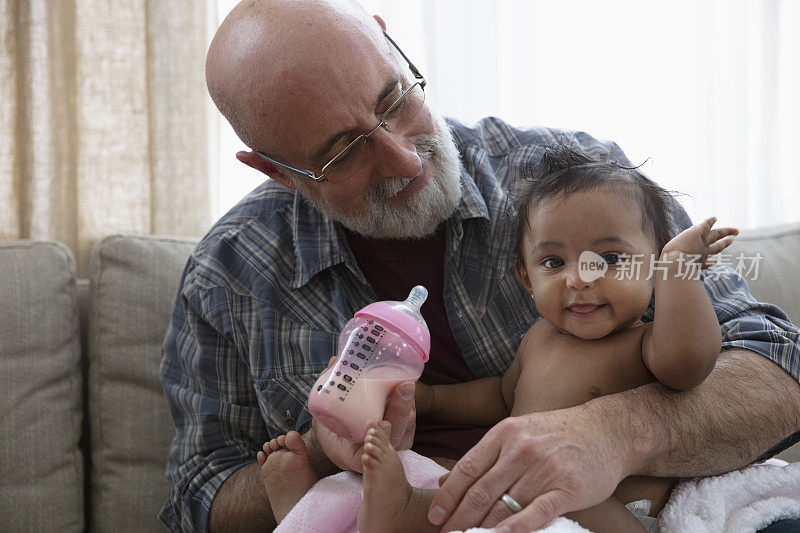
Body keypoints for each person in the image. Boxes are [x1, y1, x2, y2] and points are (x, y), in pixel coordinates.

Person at [158, 0, 800, 532]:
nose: (405, 159)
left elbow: (779, 366)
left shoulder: (571, 186)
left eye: (393, 100)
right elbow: (198, 492)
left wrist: (615, 433)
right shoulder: (230, 275)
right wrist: (328, 452)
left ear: (392, 44)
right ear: (275, 169)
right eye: (345, 152)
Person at [255, 145, 739, 532]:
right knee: (447, 479)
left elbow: (689, 361)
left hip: (610, 507)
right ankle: (325, 512)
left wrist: (679, 275)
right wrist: (432, 399)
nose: (579, 278)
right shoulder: (537, 340)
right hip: (520, 495)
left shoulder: (645, 343)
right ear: (526, 278)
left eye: (609, 259)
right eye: (553, 263)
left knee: (503, 497)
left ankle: (405, 512)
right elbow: (498, 396)